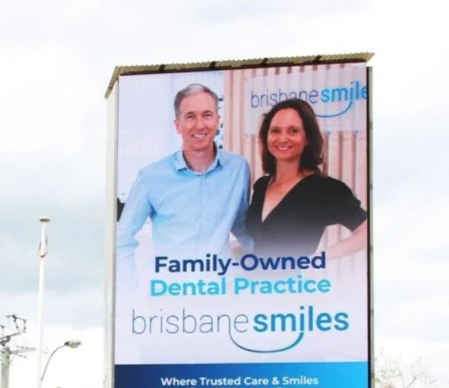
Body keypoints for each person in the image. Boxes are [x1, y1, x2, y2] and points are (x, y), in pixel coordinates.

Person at [116, 83, 251, 281]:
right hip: (171, 295)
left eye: (207, 115)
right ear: (177, 125)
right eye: (190, 116)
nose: (200, 125)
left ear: (217, 120)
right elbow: (122, 241)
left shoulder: (238, 168)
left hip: (223, 295)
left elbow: (243, 229)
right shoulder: (150, 177)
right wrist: (129, 296)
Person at [245, 98, 367, 259]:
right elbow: (258, 242)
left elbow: (366, 233)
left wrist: (319, 259)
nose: (282, 139)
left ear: (307, 138)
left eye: (293, 131)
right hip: (249, 282)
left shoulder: (325, 189)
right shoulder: (261, 186)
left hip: (293, 283)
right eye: (275, 130)